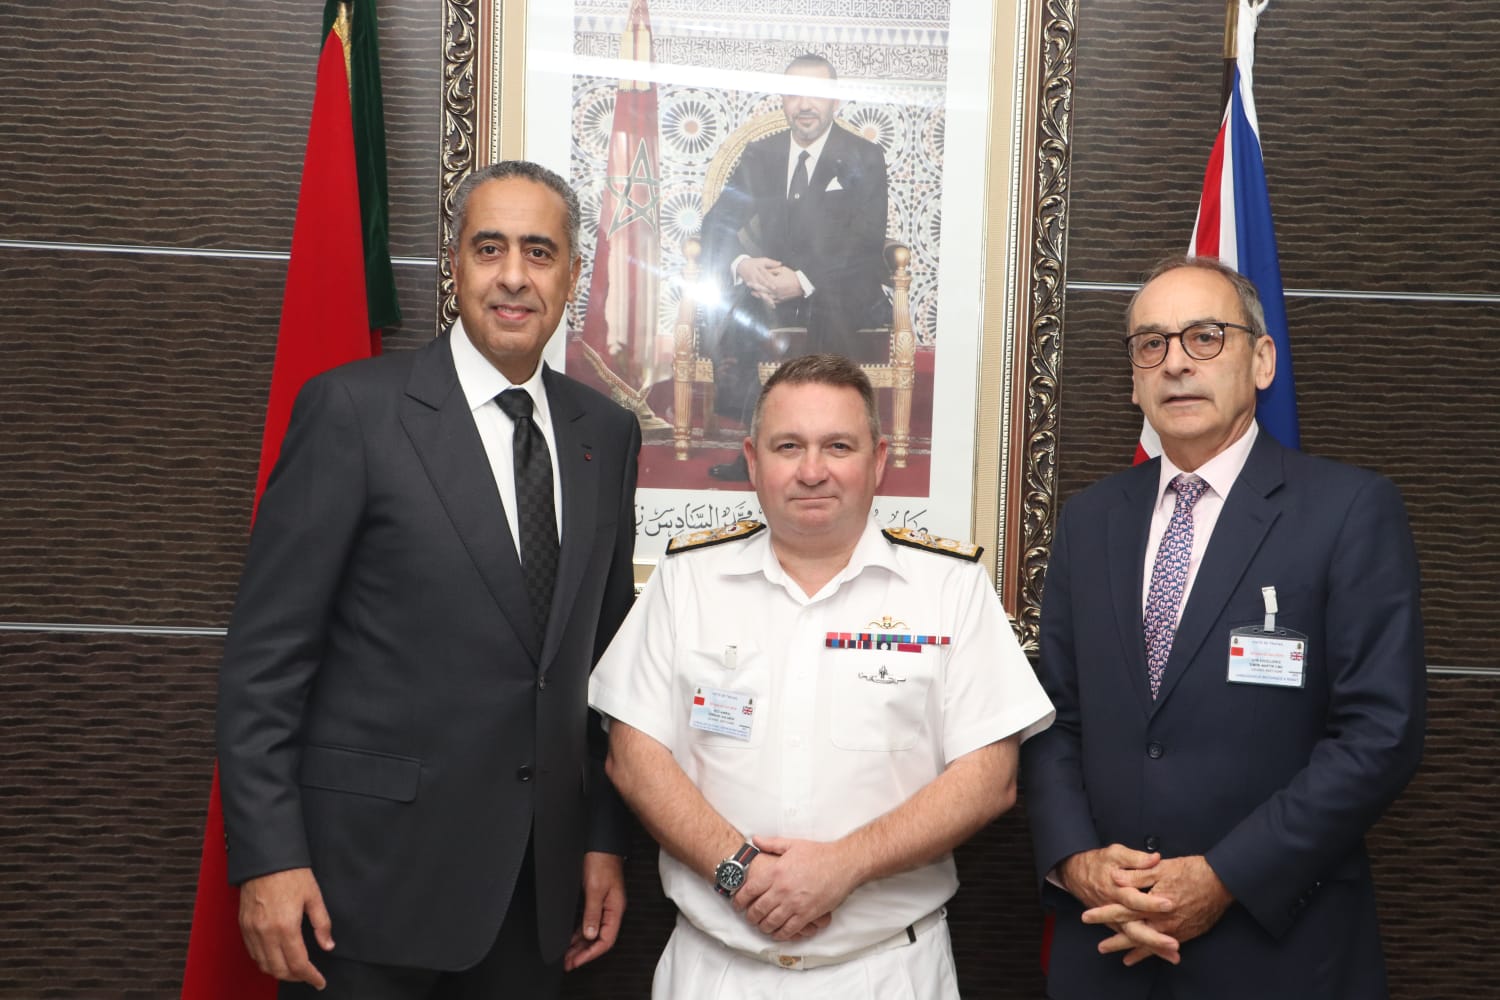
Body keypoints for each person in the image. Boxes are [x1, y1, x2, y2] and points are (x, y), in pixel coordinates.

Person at [216, 160, 641, 999]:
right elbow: (265, 663)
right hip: (362, 890)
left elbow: (605, 664)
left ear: (572, 275)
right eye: (489, 248)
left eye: (539, 252)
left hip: (535, 894)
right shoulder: (354, 411)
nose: (513, 276)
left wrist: (602, 838)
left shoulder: (607, 432)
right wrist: (269, 857)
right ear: (454, 265)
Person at [1023, 256, 1426, 999]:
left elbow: (1379, 735)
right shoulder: (1089, 520)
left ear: (1262, 360)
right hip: (1106, 941)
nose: (1176, 362)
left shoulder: (1347, 511)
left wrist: (1224, 876)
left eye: (1205, 337)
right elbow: (1054, 718)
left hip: (1277, 951)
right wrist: (1076, 861)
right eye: (1152, 344)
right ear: (1134, 379)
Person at [590, 353, 1054, 997]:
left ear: (879, 459)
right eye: (789, 446)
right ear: (753, 461)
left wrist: (844, 867)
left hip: (887, 971)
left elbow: (989, 777)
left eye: (838, 446)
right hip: (715, 969)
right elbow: (633, 754)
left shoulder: (950, 588)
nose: (812, 471)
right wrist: (739, 872)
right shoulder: (686, 580)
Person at [699, 54, 892, 481]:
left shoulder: (863, 156)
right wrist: (744, 265)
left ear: (835, 102)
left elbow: (865, 242)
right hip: (770, 287)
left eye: (816, 95)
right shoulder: (761, 155)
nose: (805, 105)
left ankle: (831, 453)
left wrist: (803, 281)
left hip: (839, 287)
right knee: (732, 313)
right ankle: (758, 452)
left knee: (832, 312)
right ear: (783, 101)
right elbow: (716, 223)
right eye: (794, 94)